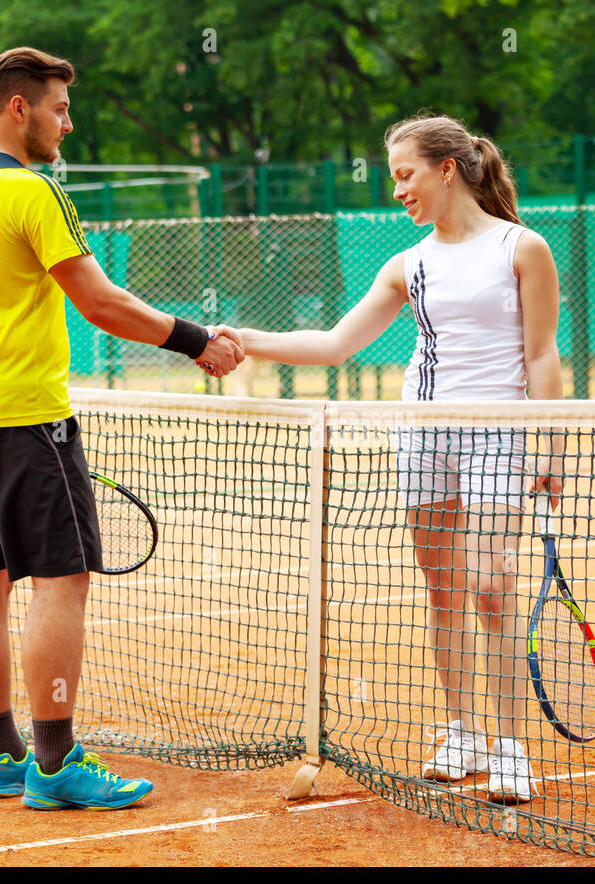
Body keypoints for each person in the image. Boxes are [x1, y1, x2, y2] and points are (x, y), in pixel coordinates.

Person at [0, 46, 243, 809]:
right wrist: (197, 340)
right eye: (60, 109)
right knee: (62, 583)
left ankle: (5, 756)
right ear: (19, 108)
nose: (70, 123)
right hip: (28, 422)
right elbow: (98, 302)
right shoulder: (31, 192)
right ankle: (56, 764)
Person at [223, 114, 563, 803]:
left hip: (500, 432)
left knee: (492, 589)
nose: (397, 190)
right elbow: (334, 344)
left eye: (405, 174)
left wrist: (549, 442)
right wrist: (243, 338)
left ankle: (509, 747)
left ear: (447, 168)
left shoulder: (523, 248)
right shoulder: (407, 265)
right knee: (442, 592)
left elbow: (543, 353)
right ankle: (462, 731)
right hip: (421, 436)